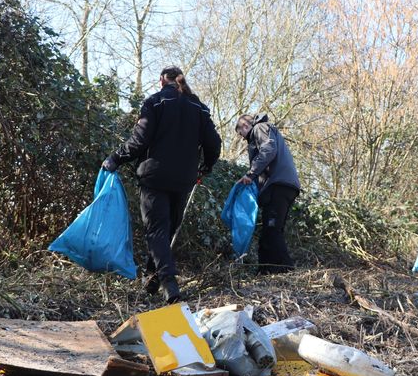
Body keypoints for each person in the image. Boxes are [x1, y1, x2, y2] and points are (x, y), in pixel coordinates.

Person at [102, 67, 221, 303]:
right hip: (183, 179)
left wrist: (115, 158)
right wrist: (206, 167)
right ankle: (151, 280)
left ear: (161, 81)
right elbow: (214, 143)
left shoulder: (155, 102)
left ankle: (169, 285)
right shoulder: (198, 107)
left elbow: (139, 140)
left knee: (157, 231)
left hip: (154, 175)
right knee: (166, 230)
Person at [235, 113, 301, 274]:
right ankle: (265, 270)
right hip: (284, 185)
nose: (243, 138)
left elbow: (269, 149)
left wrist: (250, 174)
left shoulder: (260, 128)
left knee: (272, 229)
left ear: (245, 126)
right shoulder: (266, 129)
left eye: (241, 134)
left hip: (278, 185)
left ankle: (285, 268)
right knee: (269, 229)